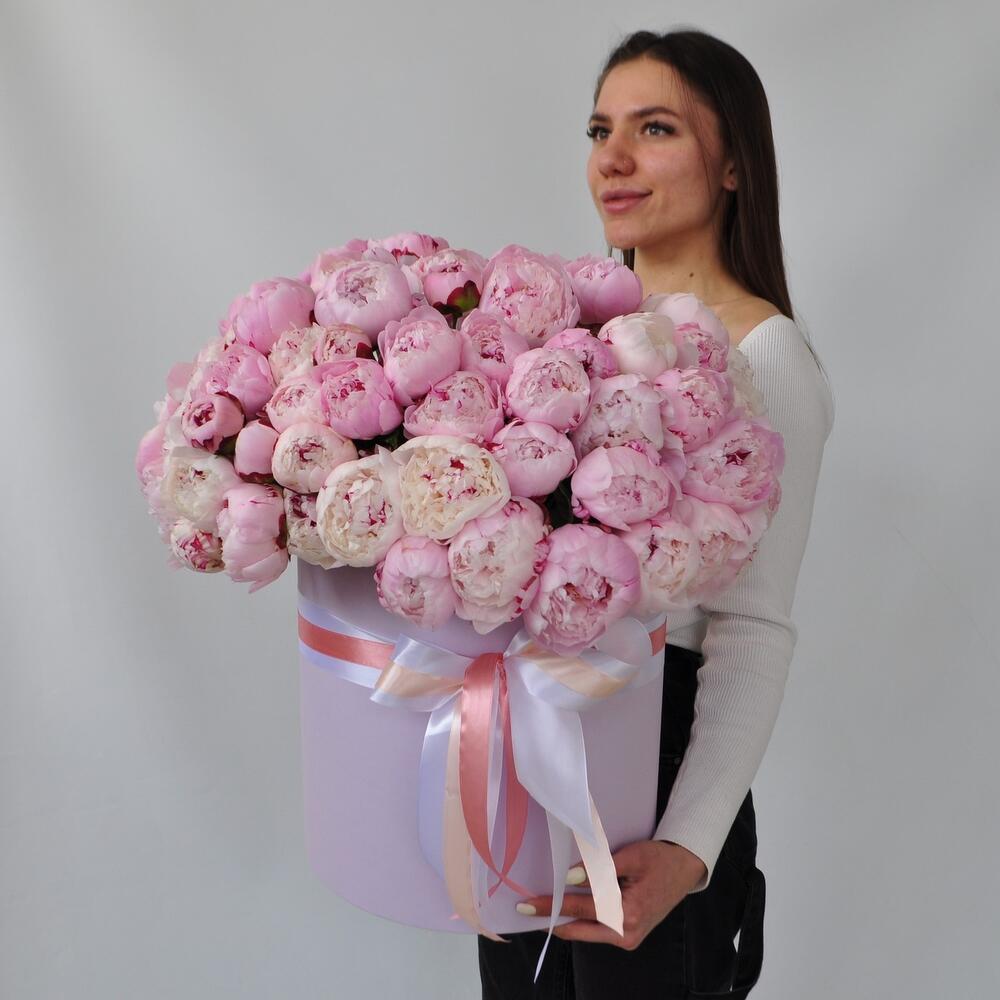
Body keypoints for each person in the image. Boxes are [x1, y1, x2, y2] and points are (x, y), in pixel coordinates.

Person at [478, 27, 835, 999]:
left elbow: (751, 628)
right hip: (537, 757)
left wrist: (688, 848)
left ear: (733, 164)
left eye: (656, 128)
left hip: (657, 770)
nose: (614, 157)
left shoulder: (764, 357)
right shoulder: (567, 342)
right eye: (601, 130)